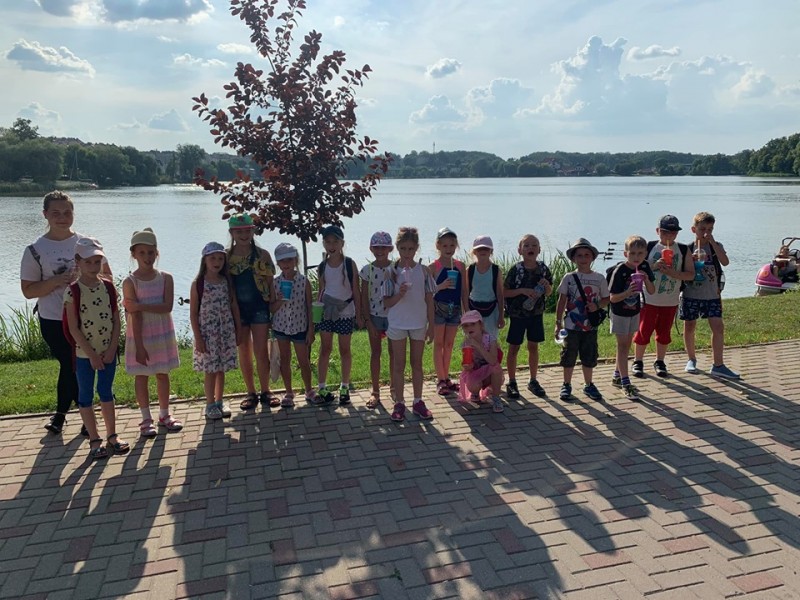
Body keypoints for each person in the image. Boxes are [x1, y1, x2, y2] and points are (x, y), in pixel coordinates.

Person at [20, 191, 112, 435]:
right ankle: (76, 415)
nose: (62, 218)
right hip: (53, 319)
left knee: (78, 366)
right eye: (56, 213)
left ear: (73, 214)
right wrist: (57, 281)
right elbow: (28, 291)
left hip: (88, 318)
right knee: (70, 365)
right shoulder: (35, 250)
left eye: (67, 212)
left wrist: (85, 277)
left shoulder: (87, 244)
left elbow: (108, 278)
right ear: (45, 215)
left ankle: (67, 416)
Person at [63, 237, 128, 460]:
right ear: (78, 262)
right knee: (85, 395)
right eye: (88, 262)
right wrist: (91, 355)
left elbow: (116, 320)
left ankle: (112, 435)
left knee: (106, 391)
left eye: (97, 262)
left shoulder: (108, 287)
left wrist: (112, 348)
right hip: (84, 355)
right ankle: (94, 439)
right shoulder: (73, 291)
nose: (93, 266)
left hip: (108, 352)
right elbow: (73, 327)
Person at [122, 228, 182, 437]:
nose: (147, 257)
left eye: (150, 252)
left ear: (157, 253)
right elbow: (134, 314)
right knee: (141, 376)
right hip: (140, 335)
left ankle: (164, 414)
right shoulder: (130, 282)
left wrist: (140, 306)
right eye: (142, 253)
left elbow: (167, 307)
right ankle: (146, 418)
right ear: (134, 254)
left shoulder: (166, 278)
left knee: (162, 374)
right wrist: (139, 346)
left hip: (162, 334)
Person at [226, 214, 279, 410]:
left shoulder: (262, 255)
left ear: (253, 231)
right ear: (231, 233)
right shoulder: (226, 257)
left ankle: (266, 391)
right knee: (244, 351)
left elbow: (270, 282)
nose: (243, 235)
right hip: (237, 310)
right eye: (239, 231)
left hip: (259, 307)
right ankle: (250, 392)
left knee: (261, 350)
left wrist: (272, 305)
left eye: (247, 230)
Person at [632, 215, 694, 378]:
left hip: (670, 299)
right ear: (658, 231)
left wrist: (673, 273)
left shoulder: (683, 249)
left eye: (673, 232)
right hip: (649, 298)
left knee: (664, 332)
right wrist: (654, 266)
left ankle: (660, 361)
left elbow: (690, 274)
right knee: (644, 330)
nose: (669, 236)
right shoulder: (649, 246)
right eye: (665, 232)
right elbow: (637, 268)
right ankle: (638, 361)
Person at [384, 227, 436, 422]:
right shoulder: (391, 272)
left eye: (411, 249)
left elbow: (429, 300)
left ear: (416, 248)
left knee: (417, 363)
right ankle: (399, 402)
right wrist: (399, 294)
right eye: (403, 249)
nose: (407, 253)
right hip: (397, 323)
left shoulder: (423, 271)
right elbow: (387, 302)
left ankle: (418, 401)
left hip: (418, 323)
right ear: (397, 248)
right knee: (399, 364)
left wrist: (431, 325)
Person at [681, 212, 739, 378]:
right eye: (702, 229)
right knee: (689, 326)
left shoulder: (715, 246)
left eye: (710, 229)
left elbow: (725, 262)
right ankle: (691, 359)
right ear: (694, 229)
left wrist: (713, 243)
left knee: (718, 327)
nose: (706, 233)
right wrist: (691, 261)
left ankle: (718, 365)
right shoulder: (687, 249)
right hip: (691, 294)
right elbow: (682, 271)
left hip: (712, 294)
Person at [555, 238, 610, 402]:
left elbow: (606, 299)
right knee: (568, 355)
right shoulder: (569, 277)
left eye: (587, 255)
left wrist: (597, 305)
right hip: (571, 326)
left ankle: (588, 384)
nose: (583, 258)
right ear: (574, 258)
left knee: (589, 355)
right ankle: (566, 384)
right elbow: (562, 300)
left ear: (592, 257)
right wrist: (558, 322)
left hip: (590, 326)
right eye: (579, 255)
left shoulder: (599, 278)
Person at [191, 242, 241, 420]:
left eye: (220, 258)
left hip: (225, 331)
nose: (217, 262)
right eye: (212, 258)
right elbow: (193, 313)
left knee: (221, 369)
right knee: (210, 370)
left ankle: (219, 401)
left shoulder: (226, 282)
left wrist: (238, 329)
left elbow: (234, 306)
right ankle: (210, 404)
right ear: (205, 260)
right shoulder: (198, 283)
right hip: (208, 333)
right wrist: (198, 338)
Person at [314, 225, 360, 405]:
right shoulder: (322, 266)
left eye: (335, 241)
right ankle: (322, 387)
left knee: (344, 350)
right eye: (328, 242)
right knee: (325, 348)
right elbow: (321, 290)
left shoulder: (349, 264)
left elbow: (355, 289)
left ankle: (345, 386)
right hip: (326, 311)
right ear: (324, 244)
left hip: (345, 311)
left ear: (342, 243)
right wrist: (316, 312)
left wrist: (359, 313)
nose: (331, 245)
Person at [606, 236, 656, 401]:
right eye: (632, 253)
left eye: (640, 253)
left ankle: (617, 375)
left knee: (627, 345)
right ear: (625, 254)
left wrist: (646, 279)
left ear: (645, 254)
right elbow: (612, 298)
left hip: (634, 310)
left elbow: (652, 291)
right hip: (619, 312)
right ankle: (626, 383)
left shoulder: (645, 266)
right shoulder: (620, 270)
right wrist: (628, 292)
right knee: (622, 346)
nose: (636, 257)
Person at [503, 234, 552, 399]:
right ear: (520, 251)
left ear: (539, 250)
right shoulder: (516, 270)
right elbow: (504, 292)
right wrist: (522, 291)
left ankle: (533, 380)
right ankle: (512, 381)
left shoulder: (543, 269)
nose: (531, 248)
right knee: (514, 347)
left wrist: (547, 286)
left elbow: (549, 292)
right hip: (517, 315)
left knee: (533, 347)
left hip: (536, 315)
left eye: (534, 245)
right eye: (527, 245)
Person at [270, 242, 315, 407]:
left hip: (300, 326)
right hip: (281, 327)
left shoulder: (304, 282)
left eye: (289, 260)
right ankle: (288, 392)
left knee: (304, 360)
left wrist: (311, 330)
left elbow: (309, 307)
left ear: (296, 260)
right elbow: (271, 308)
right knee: (285, 359)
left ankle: (309, 390)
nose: (286, 264)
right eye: (282, 261)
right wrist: (280, 300)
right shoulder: (275, 283)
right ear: (278, 263)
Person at [358, 231, 395, 408]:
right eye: (377, 247)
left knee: (394, 353)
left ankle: (395, 387)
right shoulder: (367, 270)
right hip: (374, 316)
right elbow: (363, 296)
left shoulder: (395, 268)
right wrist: (367, 321)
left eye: (384, 247)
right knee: (375, 353)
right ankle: (375, 391)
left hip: (393, 317)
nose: (380, 250)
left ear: (390, 249)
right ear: (371, 249)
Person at [430, 227, 468, 397]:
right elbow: (427, 292)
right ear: (438, 246)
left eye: (452, 245)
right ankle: (440, 379)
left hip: (455, 309)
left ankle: (446, 377)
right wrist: (440, 286)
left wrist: (466, 312)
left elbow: (464, 291)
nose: (448, 249)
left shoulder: (460, 266)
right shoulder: (434, 267)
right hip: (439, 308)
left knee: (449, 344)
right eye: (444, 245)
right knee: (438, 344)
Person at [458, 310, 505, 413]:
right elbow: (468, 364)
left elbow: (493, 361)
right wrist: (468, 366)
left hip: (490, 372)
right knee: (474, 386)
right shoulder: (466, 343)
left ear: (480, 325)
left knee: (496, 368)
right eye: (466, 326)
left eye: (473, 324)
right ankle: (475, 393)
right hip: (476, 372)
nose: (469, 328)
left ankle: (496, 398)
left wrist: (478, 346)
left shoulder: (490, 339)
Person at [466, 235, 505, 338]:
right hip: (473, 308)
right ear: (474, 252)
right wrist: (466, 312)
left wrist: (501, 316)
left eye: (486, 249)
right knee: (473, 339)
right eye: (479, 249)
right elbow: (465, 293)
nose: (483, 251)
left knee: (490, 339)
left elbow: (500, 295)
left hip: (491, 310)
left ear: (491, 251)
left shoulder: (496, 270)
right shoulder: (469, 270)